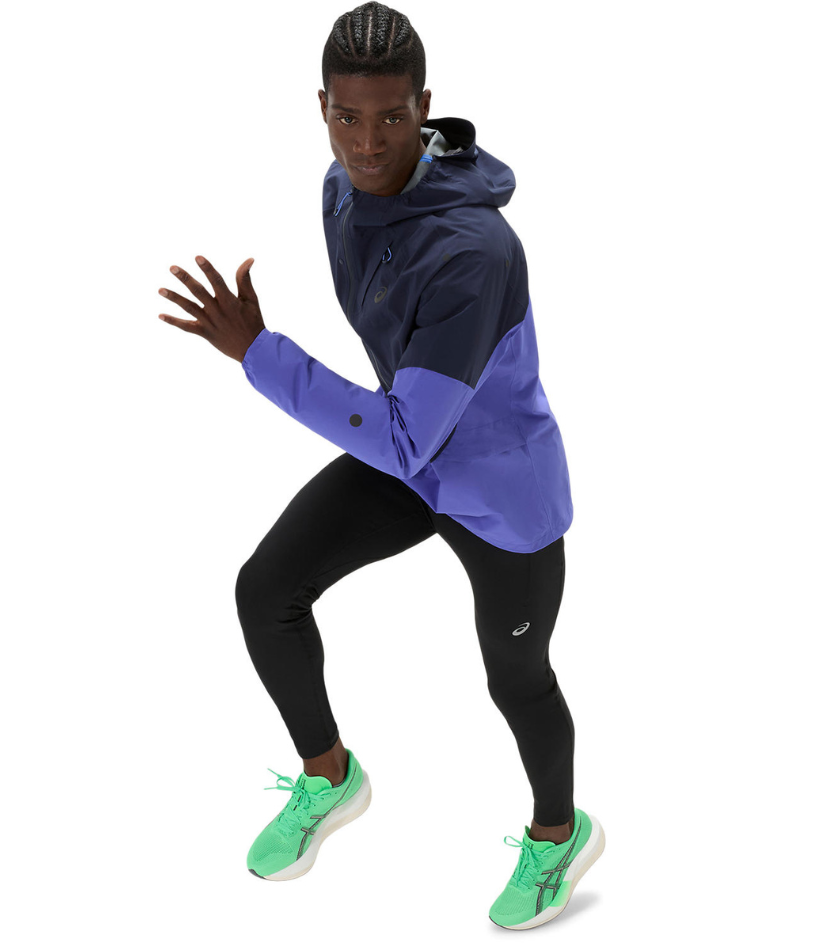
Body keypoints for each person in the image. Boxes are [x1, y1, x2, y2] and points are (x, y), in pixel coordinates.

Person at [156, 1, 604, 930]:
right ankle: (331, 776)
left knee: (517, 680)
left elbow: (404, 435)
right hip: (412, 452)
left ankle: (560, 835)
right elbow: (401, 408)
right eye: (348, 116)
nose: (367, 143)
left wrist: (261, 355)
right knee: (265, 591)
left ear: (424, 107)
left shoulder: (477, 253)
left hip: (498, 493)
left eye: (392, 117)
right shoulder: (338, 189)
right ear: (320, 106)